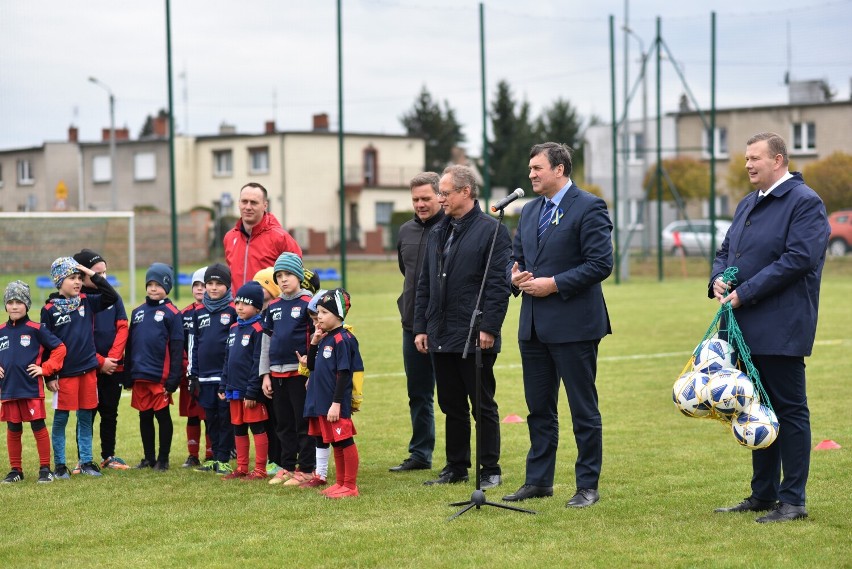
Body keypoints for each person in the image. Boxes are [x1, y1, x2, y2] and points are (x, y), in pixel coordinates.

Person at [711, 132, 829, 523]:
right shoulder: (748, 203)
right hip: (743, 329)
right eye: (746, 158)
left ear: (778, 160)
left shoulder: (805, 202)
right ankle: (762, 494)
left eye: (755, 158)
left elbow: (798, 259)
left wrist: (745, 292)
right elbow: (726, 250)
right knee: (753, 407)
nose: (747, 164)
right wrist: (717, 279)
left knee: (790, 412)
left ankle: (792, 500)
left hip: (782, 326)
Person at [502, 142, 613, 508]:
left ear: (560, 170)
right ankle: (538, 481)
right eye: (530, 168)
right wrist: (513, 275)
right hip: (533, 326)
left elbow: (600, 264)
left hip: (574, 326)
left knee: (583, 408)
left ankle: (587, 486)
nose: (531, 174)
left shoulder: (589, 206)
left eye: (537, 168)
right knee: (539, 410)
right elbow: (515, 258)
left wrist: (555, 284)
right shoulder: (530, 211)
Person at [413, 164, 511, 490]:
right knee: (450, 404)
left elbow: (498, 284)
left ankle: (490, 468)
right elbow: (425, 283)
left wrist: (489, 328)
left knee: (481, 403)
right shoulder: (438, 232)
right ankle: (456, 466)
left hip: (474, 333)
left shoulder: (492, 230)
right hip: (440, 332)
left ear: (465, 192)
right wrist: (422, 327)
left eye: (445, 192)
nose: (440, 198)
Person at [41, 256, 118, 479]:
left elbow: (111, 296)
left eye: (78, 278)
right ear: (59, 281)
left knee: (85, 418)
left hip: (88, 372)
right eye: (72, 278)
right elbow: (47, 346)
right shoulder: (49, 309)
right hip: (64, 376)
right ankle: (60, 465)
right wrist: (50, 376)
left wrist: (89, 272)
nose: (77, 282)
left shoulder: (86, 301)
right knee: (61, 420)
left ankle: (86, 461)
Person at [390, 172, 443, 473]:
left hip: (444, 326)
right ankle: (421, 454)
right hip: (411, 325)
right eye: (415, 199)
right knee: (418, 394)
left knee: (454, 398)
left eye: (426, 198)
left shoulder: (451, 229)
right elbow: (406, 272)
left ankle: (461, 461)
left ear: (440, 195)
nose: (420, 204)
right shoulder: (405, 231)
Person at [0, 281, 66, 483]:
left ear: (27, 304)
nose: (14, 306)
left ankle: (45, 469)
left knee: (38, 426)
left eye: (19, 301)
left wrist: (45, 369)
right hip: (8, 390)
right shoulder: (1, 330)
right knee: (13, 428)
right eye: (10, 302)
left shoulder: (36, 329)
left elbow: (60, 348)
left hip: (31, 389)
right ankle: (16, 470)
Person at [261, 253, 316, 486]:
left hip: (299, 374)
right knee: (282, 423)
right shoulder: (273, 306)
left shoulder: (309, 304)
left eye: (289, 275)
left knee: (301, 422)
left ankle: (306, 469)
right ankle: (286, 466)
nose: (283, 280)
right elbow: (265, 341)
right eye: (279, 276)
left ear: (300, 276)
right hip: (276, 373)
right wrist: (265, 374)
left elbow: (318, 335)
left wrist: (311, 367)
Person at [72, 249, 130, 471]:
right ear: (82, 275)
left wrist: (112, 359)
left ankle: (109, 455)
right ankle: (83, 458)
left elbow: (123, 326)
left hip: (112, 366)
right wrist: (99, 361)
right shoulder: (76, 300)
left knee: (110, 412)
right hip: (88, 366)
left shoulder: (113, 297)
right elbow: (78, 337)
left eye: (105, 273)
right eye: (96, 273)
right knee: (86, 414)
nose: (102, 278)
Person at [305, 288, 363, 498]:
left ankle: (350, 486)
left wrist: (337, 403)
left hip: (335, 403)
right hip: (323, 401)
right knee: (336, 443)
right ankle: (340, 483)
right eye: (318, 312)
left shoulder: (343, 339)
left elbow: (345, 374)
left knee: (345, 440)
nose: (319, 316)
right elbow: (311, 365)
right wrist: (314, 343)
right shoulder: (326, 337)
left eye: (324, 312)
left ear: (338, 315)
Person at [125, 263, 183, 471]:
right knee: (144, 416)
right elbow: (130, 345)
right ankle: (149, 458)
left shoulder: (172, 313)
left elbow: (177, 349)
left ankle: (163, 459)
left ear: (167, 287)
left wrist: (174, 377)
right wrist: (128, 373)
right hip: (140, 375)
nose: (153, 288)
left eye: (158, 284)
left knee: (162, 416)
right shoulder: (138, 312)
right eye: (150, 284)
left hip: (160, 377)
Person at [188, 263, 237, 475]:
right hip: (205, 377)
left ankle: (225, 458)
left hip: (225, 377)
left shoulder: (234, 311)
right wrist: (193, 374)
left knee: (225, 418)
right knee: (210, 418)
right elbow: (194, 344)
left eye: (219, 283)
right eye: (210, 283)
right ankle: (214, 456)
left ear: (227, 286)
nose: (213, 287)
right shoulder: (198, 313)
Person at [219, 281, 269, 480]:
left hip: (250, 391)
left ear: (257, 307)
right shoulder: (233, 328)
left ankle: (260, 469)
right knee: (238, 427)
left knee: (256, 427)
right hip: (233, 389)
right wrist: (223, 384)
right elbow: (227, 360)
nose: (239, 307)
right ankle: (241, 467)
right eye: (238, 302)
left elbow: (259, 362)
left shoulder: (259, 329)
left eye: (245, 303)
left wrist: (252, 391)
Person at [223, 182, 302, 292]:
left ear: (265, 205)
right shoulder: (230, 237)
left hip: (269, 307)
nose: (248, 207)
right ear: (238, 203)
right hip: (238, 307)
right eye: (244, 201)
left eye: (254, 203)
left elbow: (297, 277)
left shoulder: (281, 237)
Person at [178, 266, 210, 468]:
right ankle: (192, 454)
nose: (200, 289)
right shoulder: (184, 314)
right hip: (189, 374)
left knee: (210, 415)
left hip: (209, 373)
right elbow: (178, 344)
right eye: (196, 285)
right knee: (192, 414)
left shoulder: (219, 312)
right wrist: (186, 367)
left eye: (204, 285)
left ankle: (211, 452)